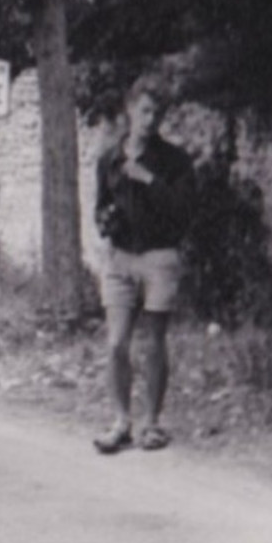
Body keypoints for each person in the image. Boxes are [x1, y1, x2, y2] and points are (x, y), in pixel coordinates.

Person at [92, 77, 194, 454]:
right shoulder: (109, 159)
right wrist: (106, 220)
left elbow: (185, 210)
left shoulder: (174, 160)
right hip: (120, 257)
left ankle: (150, 423)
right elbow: (98, 208)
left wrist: (149, 180)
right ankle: (120, 420)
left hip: (159, 256)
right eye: (144, 111)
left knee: (153, 342)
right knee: (116, 342)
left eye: (157, 113)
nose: (150, 120)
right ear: (129, 110)